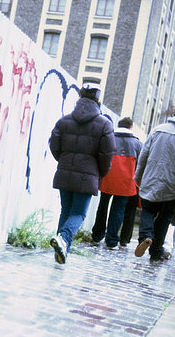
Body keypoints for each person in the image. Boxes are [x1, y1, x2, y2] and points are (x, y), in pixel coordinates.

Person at [49, 84, 116, 264]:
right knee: (79, 213)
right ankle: (63, 239)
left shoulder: (64, 121)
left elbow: (54, 145)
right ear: (98, 99)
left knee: (66, 210)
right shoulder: (105, 124)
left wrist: (64, 161)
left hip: (64, 173)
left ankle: (63, 249)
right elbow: (107, 155)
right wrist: (99, 172)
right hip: (88, 176)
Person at [133, 107, 175, 262]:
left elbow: (143, 155)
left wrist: (138, 176)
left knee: (147, 210)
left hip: (151, 179)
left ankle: (146, 236)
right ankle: (156, 253)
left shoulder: (157, 130)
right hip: (172, 185)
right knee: (165, 217)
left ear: (173, 115)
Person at [91, 117, 143, 249]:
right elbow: (141, 164)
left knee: (103, 206)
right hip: (126, 182)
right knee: (118, 210)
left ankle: (97, 235)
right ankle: (111, 240)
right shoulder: (137, 143)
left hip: (108, 177)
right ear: (131, 127)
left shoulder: (109, 138)